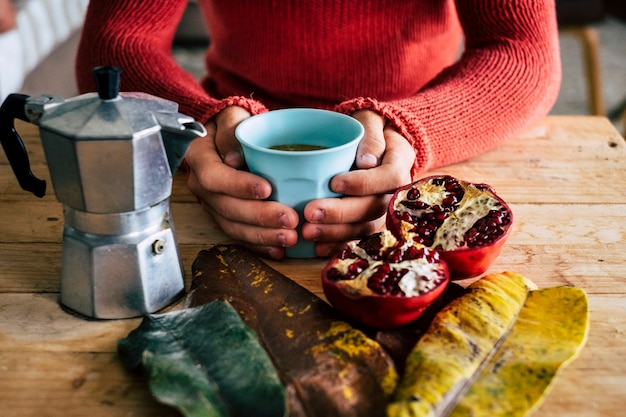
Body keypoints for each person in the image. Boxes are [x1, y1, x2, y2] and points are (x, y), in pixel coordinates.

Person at [75, 1, 561, 260]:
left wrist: (411, 131)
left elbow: (524, 53)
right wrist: (194, 127)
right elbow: (115, 42)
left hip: (412, 143)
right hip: (226, 152)